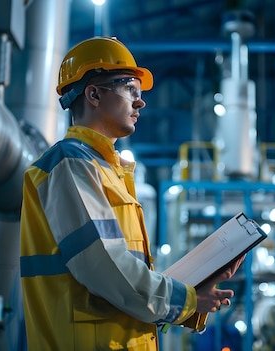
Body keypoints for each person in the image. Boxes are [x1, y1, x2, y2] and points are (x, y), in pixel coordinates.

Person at [19, 36, 245, 350]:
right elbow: (106, 269)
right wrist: (188, 299)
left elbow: (124, 277)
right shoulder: (70, 165)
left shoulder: (108, 171)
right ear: (94, 94)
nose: (140, 102)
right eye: (130, 89)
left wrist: (195, 288)